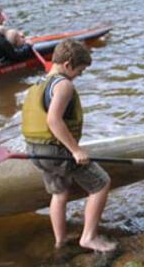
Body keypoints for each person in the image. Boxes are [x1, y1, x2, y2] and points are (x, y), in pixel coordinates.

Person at [21, 39, 116, 252]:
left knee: (60, 194)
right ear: (68, 64)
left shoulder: (39, 84)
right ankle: (89, 237)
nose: (79, 75)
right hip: (57, 152)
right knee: (100, 184)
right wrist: (76, 150)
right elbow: (53, 120)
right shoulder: (63, 85)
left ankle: (60, 240)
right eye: (80, 71)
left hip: (36, 151)